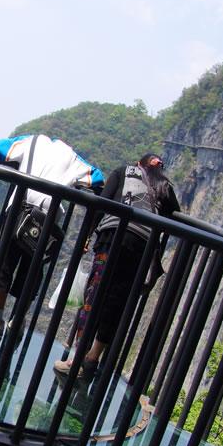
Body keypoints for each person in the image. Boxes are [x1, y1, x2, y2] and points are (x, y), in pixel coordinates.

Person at [53, 153, 180, 377]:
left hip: (112, 238)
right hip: (141, 248)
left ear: (139, 164)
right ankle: (92, 359)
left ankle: (77, 359)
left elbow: (102, 204)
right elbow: (174, 217)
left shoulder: (123, 171)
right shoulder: (164, 186)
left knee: (95, 296)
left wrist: (87, 236)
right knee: (117, 302)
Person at [0, 134, 104, 335]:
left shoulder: (32, 141)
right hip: (47, 218)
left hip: (19, 209)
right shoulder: (73, 158)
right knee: (32, 271)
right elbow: (98, 178)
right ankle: (18, 320)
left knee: (5, 264)